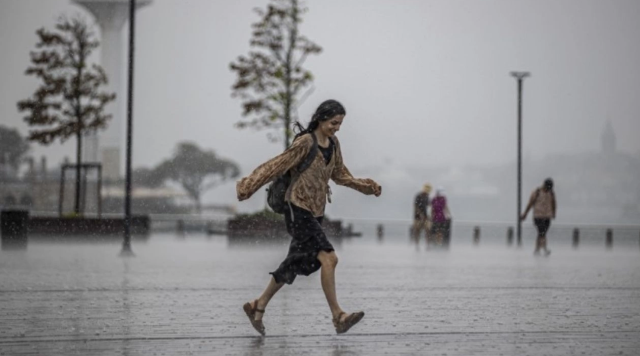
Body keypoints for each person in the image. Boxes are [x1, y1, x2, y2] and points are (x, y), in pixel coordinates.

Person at [236, 100, 382, 336]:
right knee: (329, 259)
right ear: (322, 118)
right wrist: (248, 186)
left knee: (293, 263)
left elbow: (340, 175)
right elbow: (277, 165)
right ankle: (338, 316)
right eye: (334, 122)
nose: (337, 128)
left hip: (316, 213)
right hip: (297, 209)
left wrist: (365, 186)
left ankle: (257, 306)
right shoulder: (305, 142)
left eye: (340, 124)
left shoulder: (333, 144)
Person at [521, 178, 557, 256]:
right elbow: (530, 203)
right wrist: (525, 214)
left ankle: (538, 249)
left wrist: (554, 213)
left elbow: (554, 203)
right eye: (547, 187)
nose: (548, 189)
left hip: (547, 216)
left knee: (542, 233)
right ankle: (544, 249)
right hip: (538, 216)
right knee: (542, 232)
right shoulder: (537, 192)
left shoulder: (551, 193)